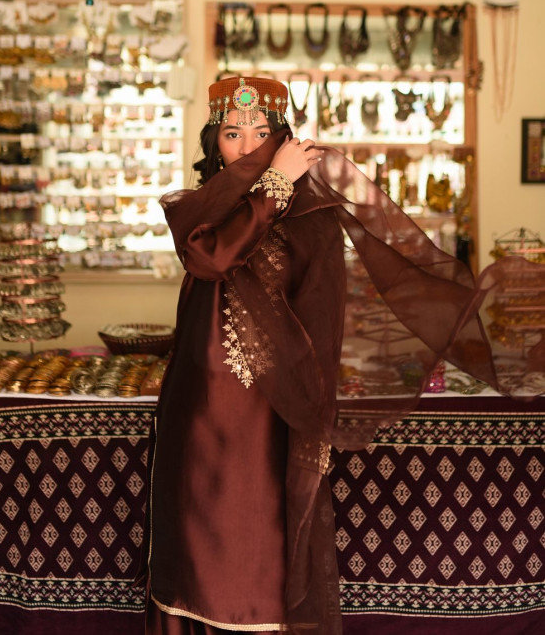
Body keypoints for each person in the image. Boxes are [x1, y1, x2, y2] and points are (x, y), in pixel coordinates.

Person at [137, 75, 544, 635]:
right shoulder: (200, 209)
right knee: (193, 540)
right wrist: (274, 184)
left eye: (261, 133)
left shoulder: (310, 212)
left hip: (270, 406)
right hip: (200, 402)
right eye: (232, 133)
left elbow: (324, 310)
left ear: (282, 138)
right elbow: (211, 259)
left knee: (257, 541)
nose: (248, 146)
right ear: (214, 142)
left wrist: (322, 391)